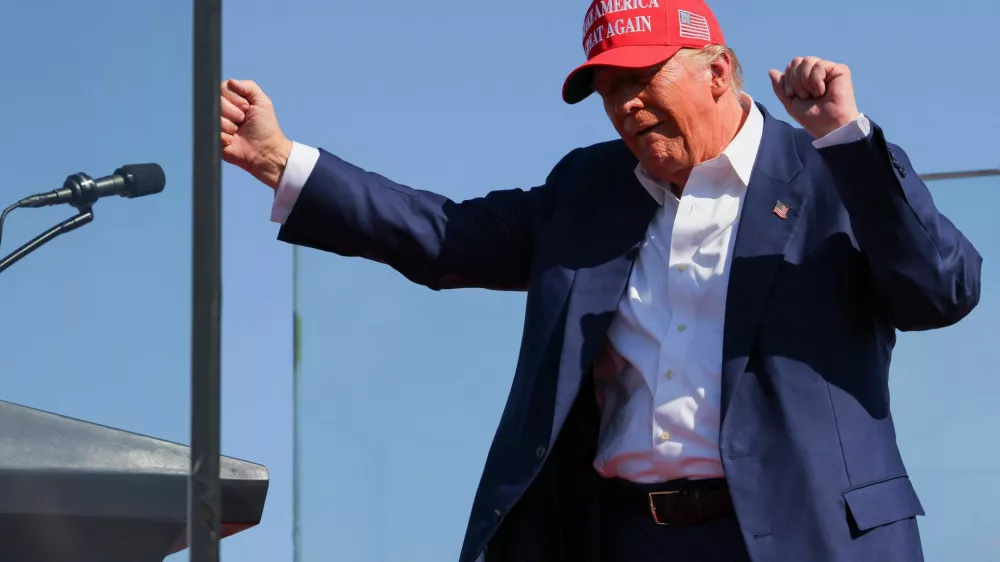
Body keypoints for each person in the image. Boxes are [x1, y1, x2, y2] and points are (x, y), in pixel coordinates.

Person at [220, 0, 982, 560]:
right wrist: (279, 160)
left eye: (641, 78)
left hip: (807, 534)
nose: (626, 105)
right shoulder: (587, 189)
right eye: (609, 90)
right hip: (622, 537)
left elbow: (942, 292)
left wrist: (845, 139)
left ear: (718, 72)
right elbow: (444, 234)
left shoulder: (832, 171)